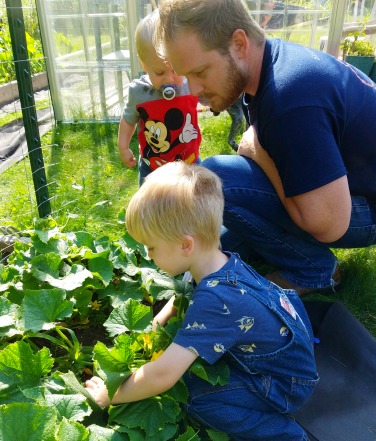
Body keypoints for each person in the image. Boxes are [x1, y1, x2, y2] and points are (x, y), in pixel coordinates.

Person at [156, 0, 376, 294]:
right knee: (219, 229)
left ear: (239, 44)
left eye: (200, 72)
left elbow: (329, 223)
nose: (193, 92)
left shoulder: (290, 99)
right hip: (349, 190)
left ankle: (315, 270)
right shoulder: (267, 67)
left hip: (370, 209)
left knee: (216, 181)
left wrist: (257, 152)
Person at [85, 161, 319, 441]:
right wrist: (158, 323)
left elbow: (163, 376)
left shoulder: (216, 300)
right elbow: (186, 293)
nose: (148, 256)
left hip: (285, 384)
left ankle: (284, 435)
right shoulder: (217, 262)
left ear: (185, 245)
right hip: (292, 352)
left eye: (151, 247)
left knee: (197, 396)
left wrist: (110, 394)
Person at [118, 8, 201, 185]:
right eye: (159, 72)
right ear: (144, 64)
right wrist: (123, 147)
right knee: (149, 208)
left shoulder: (189, 82)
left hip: (190, 163)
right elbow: (128, 120)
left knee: (192, 204)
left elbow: (207, 94)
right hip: (153, 167)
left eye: (174, 69)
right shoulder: (139, 92)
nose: (169, 78)